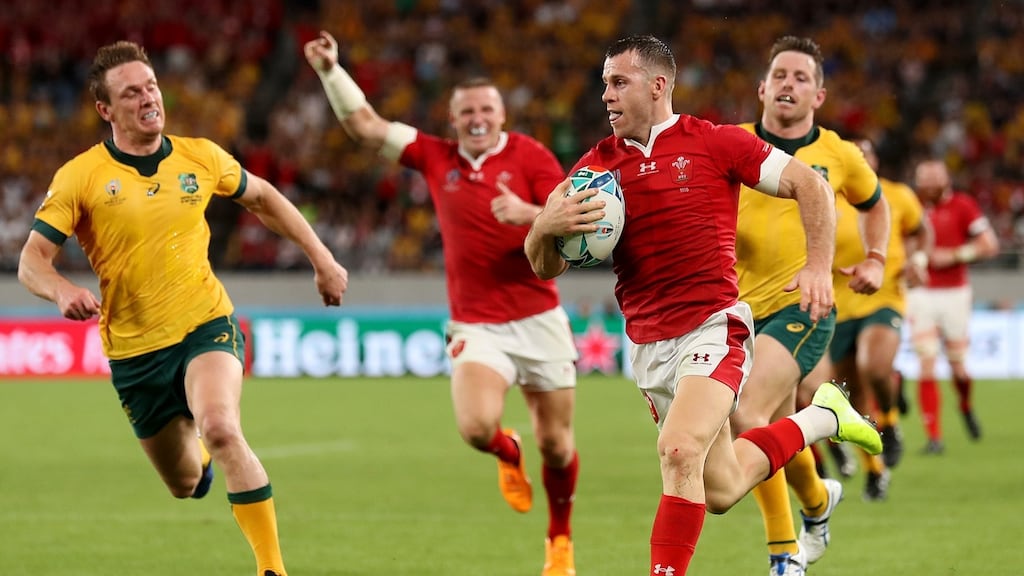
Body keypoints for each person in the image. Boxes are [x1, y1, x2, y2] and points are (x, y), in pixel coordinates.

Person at [524, 34, 882, 576]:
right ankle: (821, 418)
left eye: (619, 82)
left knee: (678, 450)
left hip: (713, 329)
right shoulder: (595, 168)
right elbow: (544, 265)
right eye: (605, 84)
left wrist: (816, 265)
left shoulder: (713, 143)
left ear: (658, 85)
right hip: (648, 346)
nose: (607, 96)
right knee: (721, 487)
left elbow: (810, 185)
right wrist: (543, 228)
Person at [17, 41, 349, 576]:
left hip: (205, 324)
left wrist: (322, 258)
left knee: (220, 426)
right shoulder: (80, 176)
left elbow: (262, 197)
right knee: (186, 484)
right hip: (134, 353)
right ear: (106, 110)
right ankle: (200, 463)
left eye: (150, 86)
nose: (148, 98)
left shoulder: (200, 155)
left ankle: (272, 569)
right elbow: (32, 261)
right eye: (131, 92)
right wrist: (60, 290)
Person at [304, 31, 580, 576]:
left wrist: (528, 214)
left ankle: (560, 540)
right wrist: (331, 70)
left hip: (539, 317)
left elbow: (571, 219)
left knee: (557, 443)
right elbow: (365, 126)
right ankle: (507, 451)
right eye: (467, 111)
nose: (477, 118)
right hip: (477, 325)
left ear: (502, 116)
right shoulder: (437, 157)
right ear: (453, 119)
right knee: (477, 428)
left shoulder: (532, 156)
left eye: (486, 109)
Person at [731, 36, 892, 575]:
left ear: (818, 96)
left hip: (806, 308)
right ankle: (819, 503)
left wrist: (875, 258)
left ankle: (784, 555)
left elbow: (876, 205)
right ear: (762, 87)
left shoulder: (840, 155)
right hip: (737, 314)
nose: (789, 85)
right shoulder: (731, 145)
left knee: (745, 414)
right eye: (780, 75)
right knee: (774, 429)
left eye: (801, 78)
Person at [826, 137, 929, 501]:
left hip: (885, 297)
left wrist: (917, 262)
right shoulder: (827, 198)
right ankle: (875, 470)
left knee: (874, 366)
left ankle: (890, 421)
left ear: (875, 161)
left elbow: (920, 232)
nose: (860, 160)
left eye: (865, 154)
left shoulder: (897, 195)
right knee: (848, 400)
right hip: (838, 306)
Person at [908, 158, 999, 453]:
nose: (929, 187)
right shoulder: (911, 206)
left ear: (945, 181)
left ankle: (965, 404)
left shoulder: (963, 205)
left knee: (959, 367)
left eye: (934, 181)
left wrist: (956, 254)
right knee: (926, 363)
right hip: (920, 293)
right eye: (925, 181)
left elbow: (990, 244)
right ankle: (934, 437)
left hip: (955, 294)